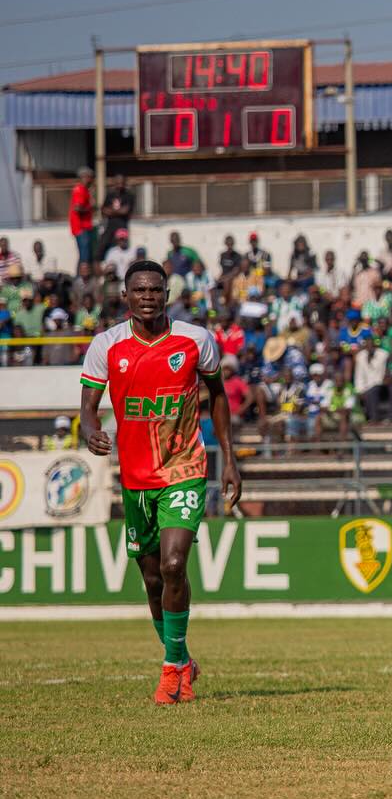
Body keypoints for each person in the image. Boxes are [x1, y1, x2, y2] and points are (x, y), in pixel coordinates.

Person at [79, 259, 241, 704]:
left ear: (167, 295)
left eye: (156, 290)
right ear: (126, 296)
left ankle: (172, 673)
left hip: (184, 468)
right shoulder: (106, 346)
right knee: (152, 579)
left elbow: (219, 397)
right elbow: (88, 407)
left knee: (173, 565)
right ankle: (182, 657)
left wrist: (229, 458)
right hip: (135, 477)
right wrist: (91, 430)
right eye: (140, 290)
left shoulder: (195, 340)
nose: (148, 296)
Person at [98, 173, 134, 261]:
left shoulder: (129, 195)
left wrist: (111, 211)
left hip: (122, 225)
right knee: (103, 245)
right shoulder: (110, 195)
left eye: (122, 182)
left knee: (121, 247)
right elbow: (103, 210)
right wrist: (118, 211)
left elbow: (125, 211)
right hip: (110, 225)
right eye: (118, 182)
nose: (120, 185)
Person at [70, 168, 96, 268]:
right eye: (90, 177)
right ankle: (81, 278)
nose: (91, 180)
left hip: (83, 227)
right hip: (81, 227)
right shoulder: (80, 189)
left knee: (84, 255)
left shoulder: (84, 190)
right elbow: (77, 208)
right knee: (84, 256)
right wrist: (91, 208)